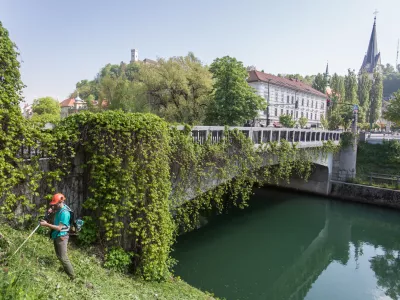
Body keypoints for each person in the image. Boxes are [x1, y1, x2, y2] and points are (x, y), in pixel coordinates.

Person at [40, 193, 75, 279]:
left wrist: (46, 224)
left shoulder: (65, 214)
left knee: (64, 258)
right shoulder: (60, 207)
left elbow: (59, 228)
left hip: (61, 237)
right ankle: (65, 270)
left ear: (60, 202)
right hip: (57, 235)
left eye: (55, 204)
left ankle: (73, 277)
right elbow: (56, 209)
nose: (53, 205)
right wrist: (52, 210)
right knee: (59, 256)